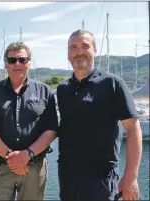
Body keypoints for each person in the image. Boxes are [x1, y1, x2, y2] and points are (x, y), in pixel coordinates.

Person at [56, 29, 142, 201]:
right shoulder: (63, 89)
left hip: (100, 180)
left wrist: (131, 177)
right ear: (68, 53)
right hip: (67, 178)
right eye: (73, 47)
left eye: (85, 46)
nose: (79, 51)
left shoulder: (112, 83)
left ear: (95, 50)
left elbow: (133, 131)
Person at [0, 41, 58, 200]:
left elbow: (51, 129)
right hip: (0, 166)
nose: (17, 64)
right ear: (6, 64)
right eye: (12, 60)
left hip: (35, 166)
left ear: (29, 62)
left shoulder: (45, 91)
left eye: (22, 59)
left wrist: (27, 155)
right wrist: (11, 157)